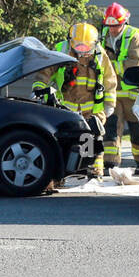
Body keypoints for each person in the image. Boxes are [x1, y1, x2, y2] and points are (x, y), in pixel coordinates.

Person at [31, 22, 117, 178]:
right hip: (66, 106)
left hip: (92, 108)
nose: (82, 52)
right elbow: (44, 73)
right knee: (64, 138)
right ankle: (62, 172)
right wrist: (39, 89)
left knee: (91, 136)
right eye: (79, 47)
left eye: (86, 48)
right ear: (70, 42)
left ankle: (91, 169)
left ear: (94, 44)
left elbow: (109, 80)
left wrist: (109, 105)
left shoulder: (99, 55)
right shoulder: (61, 51)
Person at [102, 2, 139, 173]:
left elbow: (134, 64)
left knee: (137, 131)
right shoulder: (103, 36)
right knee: (111, 129)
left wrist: (111, 66)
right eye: (110, 26)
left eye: (116, 25)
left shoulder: (134, 36)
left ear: (124, 23)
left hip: (133, 92)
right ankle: (111, 164)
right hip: (113, 93)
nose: (113, 29)